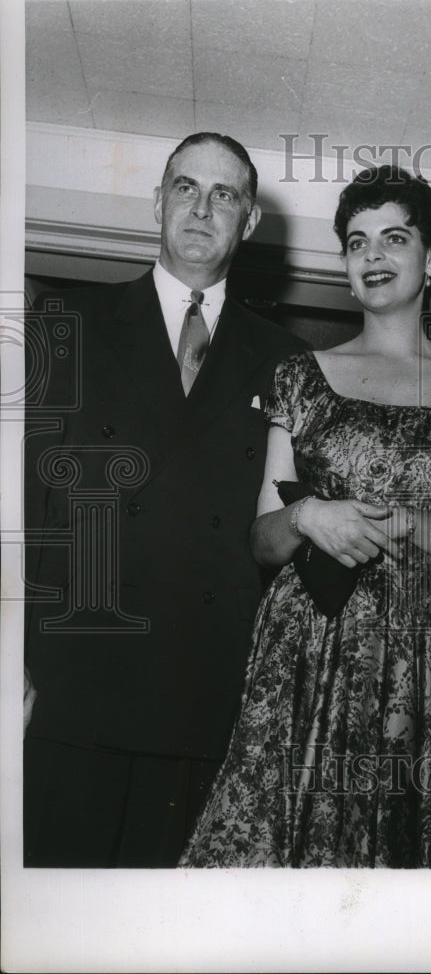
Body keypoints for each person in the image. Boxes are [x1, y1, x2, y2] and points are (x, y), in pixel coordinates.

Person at [180, 166, 431, 868]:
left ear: (430, 259)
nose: (372, 256)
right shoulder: (300, 376)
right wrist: (307, 520)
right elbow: (262, 540)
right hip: (310, 652)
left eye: (393, 238)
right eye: (357, 241)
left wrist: (404, 521)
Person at [23, 132, 307, 867]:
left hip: (203, 687)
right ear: (157, 202)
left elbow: (279, 531)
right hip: (77, 676)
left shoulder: (286, 359)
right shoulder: (68, 326)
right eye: (185, 187)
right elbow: (23, 502)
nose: (202, 208)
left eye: (226, 195)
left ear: (250, 221)